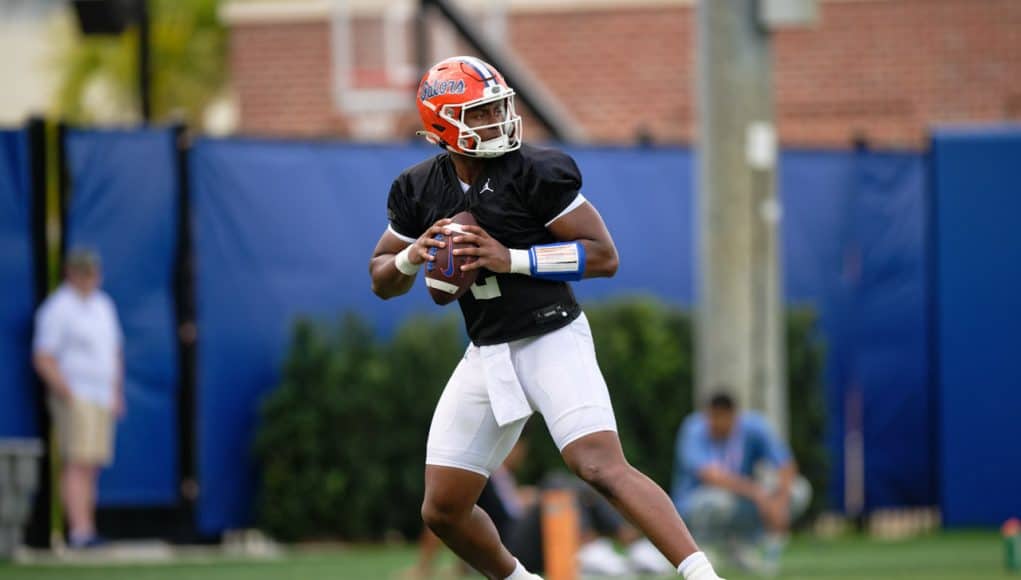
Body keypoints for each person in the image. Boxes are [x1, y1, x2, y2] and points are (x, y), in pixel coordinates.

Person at [369, 55, 722, 580]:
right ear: (444, 125)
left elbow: (604, 256)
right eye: (481, 114)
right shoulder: (419, 189)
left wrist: (510, 257)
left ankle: (700, 575)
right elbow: (381, 277)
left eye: (497, 109)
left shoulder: (533, 171)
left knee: (599, 465)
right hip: (487, 352)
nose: (497, 122)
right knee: (441, 509)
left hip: (551, 335)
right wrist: (412, 254)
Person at [404, 435, 674, 578]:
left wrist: (529, 498)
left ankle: (631, 547)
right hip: (509, 547)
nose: (520, 454)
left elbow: (508, 507)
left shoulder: (504, 478)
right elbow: (445, 514)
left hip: (521, 539)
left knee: (571, 488)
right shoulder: (480, 476)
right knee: (556, 485)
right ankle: (591, 548)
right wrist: (424, 567)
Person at [32, 248, 125, 549]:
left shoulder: (103, 305)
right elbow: (44, 357)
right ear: (70, 273)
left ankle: (89, 528)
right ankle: (78, 532)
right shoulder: (58, 308)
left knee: (93, 463)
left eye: (92, 272)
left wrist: (115, 392)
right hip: (76, 395)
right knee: (78, 462)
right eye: (82, 271)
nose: (88, 277)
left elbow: (115, 353)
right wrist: (68, 392)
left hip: (102, 395)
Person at [672, 392, 811, 576]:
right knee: (718, 500)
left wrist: (780, 504)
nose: (716, 423)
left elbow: (785, 463)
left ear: (733, 415)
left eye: (721, 417)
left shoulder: (753, 426)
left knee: (798, 490)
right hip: (695, 503)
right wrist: (757, 493)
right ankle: (701, 549)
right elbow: (712, 476)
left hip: (739, 498)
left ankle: (741, 546)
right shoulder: (694, 428)